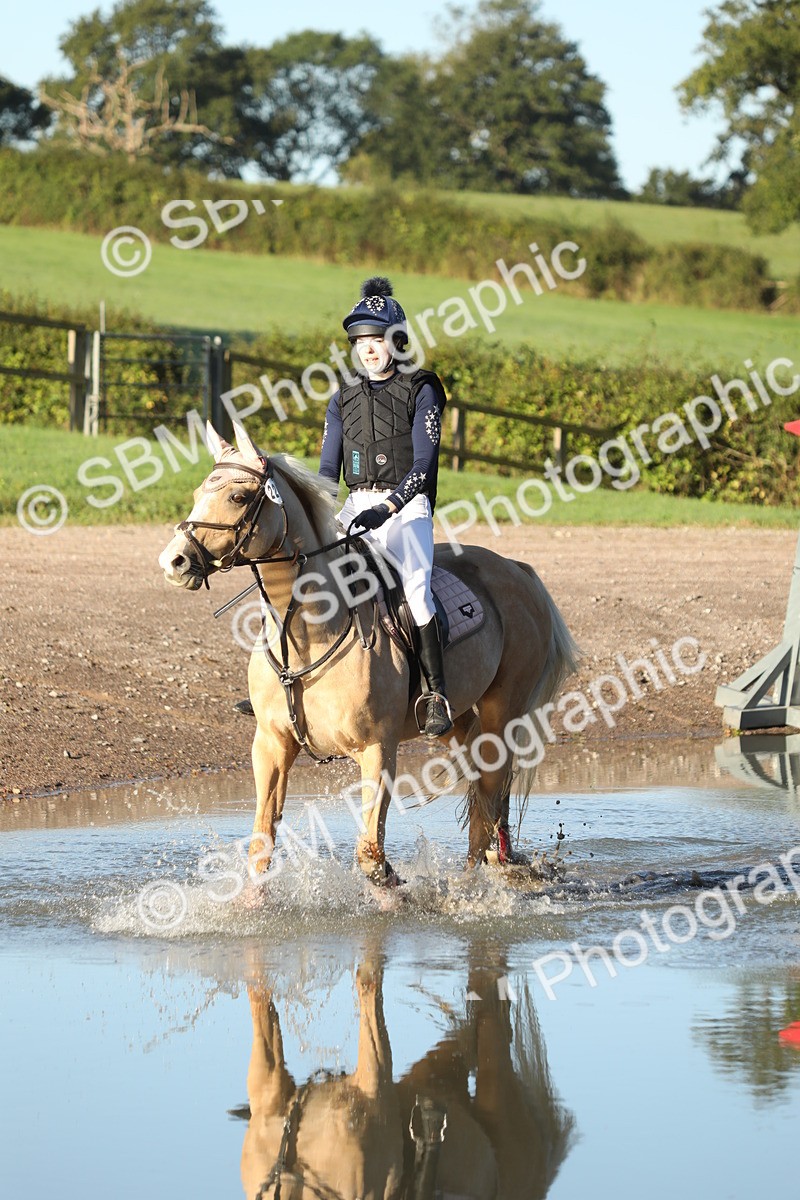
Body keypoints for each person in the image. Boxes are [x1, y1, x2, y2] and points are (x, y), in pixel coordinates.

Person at [318, 276, 453, 738]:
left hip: (408, 505)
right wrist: (318, 513)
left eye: (377, 339)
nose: (368, 350)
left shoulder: (423, 389)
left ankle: (436, 693)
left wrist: (391, 506)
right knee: (310, 574)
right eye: (361, 342)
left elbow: (424, 464)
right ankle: (291, 682)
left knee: (415, 591)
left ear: (397, 339)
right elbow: (326, 474)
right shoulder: (342, 398)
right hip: (357, 504)